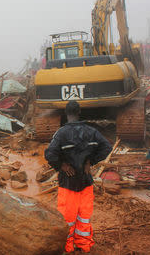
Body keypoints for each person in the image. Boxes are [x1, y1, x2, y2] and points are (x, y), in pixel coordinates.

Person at [45, 101, 112, 253]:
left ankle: (68, 247)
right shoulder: (91, 131)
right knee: (84, 217)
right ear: (79, 112)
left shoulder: (61, 133)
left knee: (67, 218)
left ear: (66, 113)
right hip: (86, 181)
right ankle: (84, 245)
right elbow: (107, 147)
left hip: (68, 183)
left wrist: (62, 165)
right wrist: (91, 161)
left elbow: (50, 154)